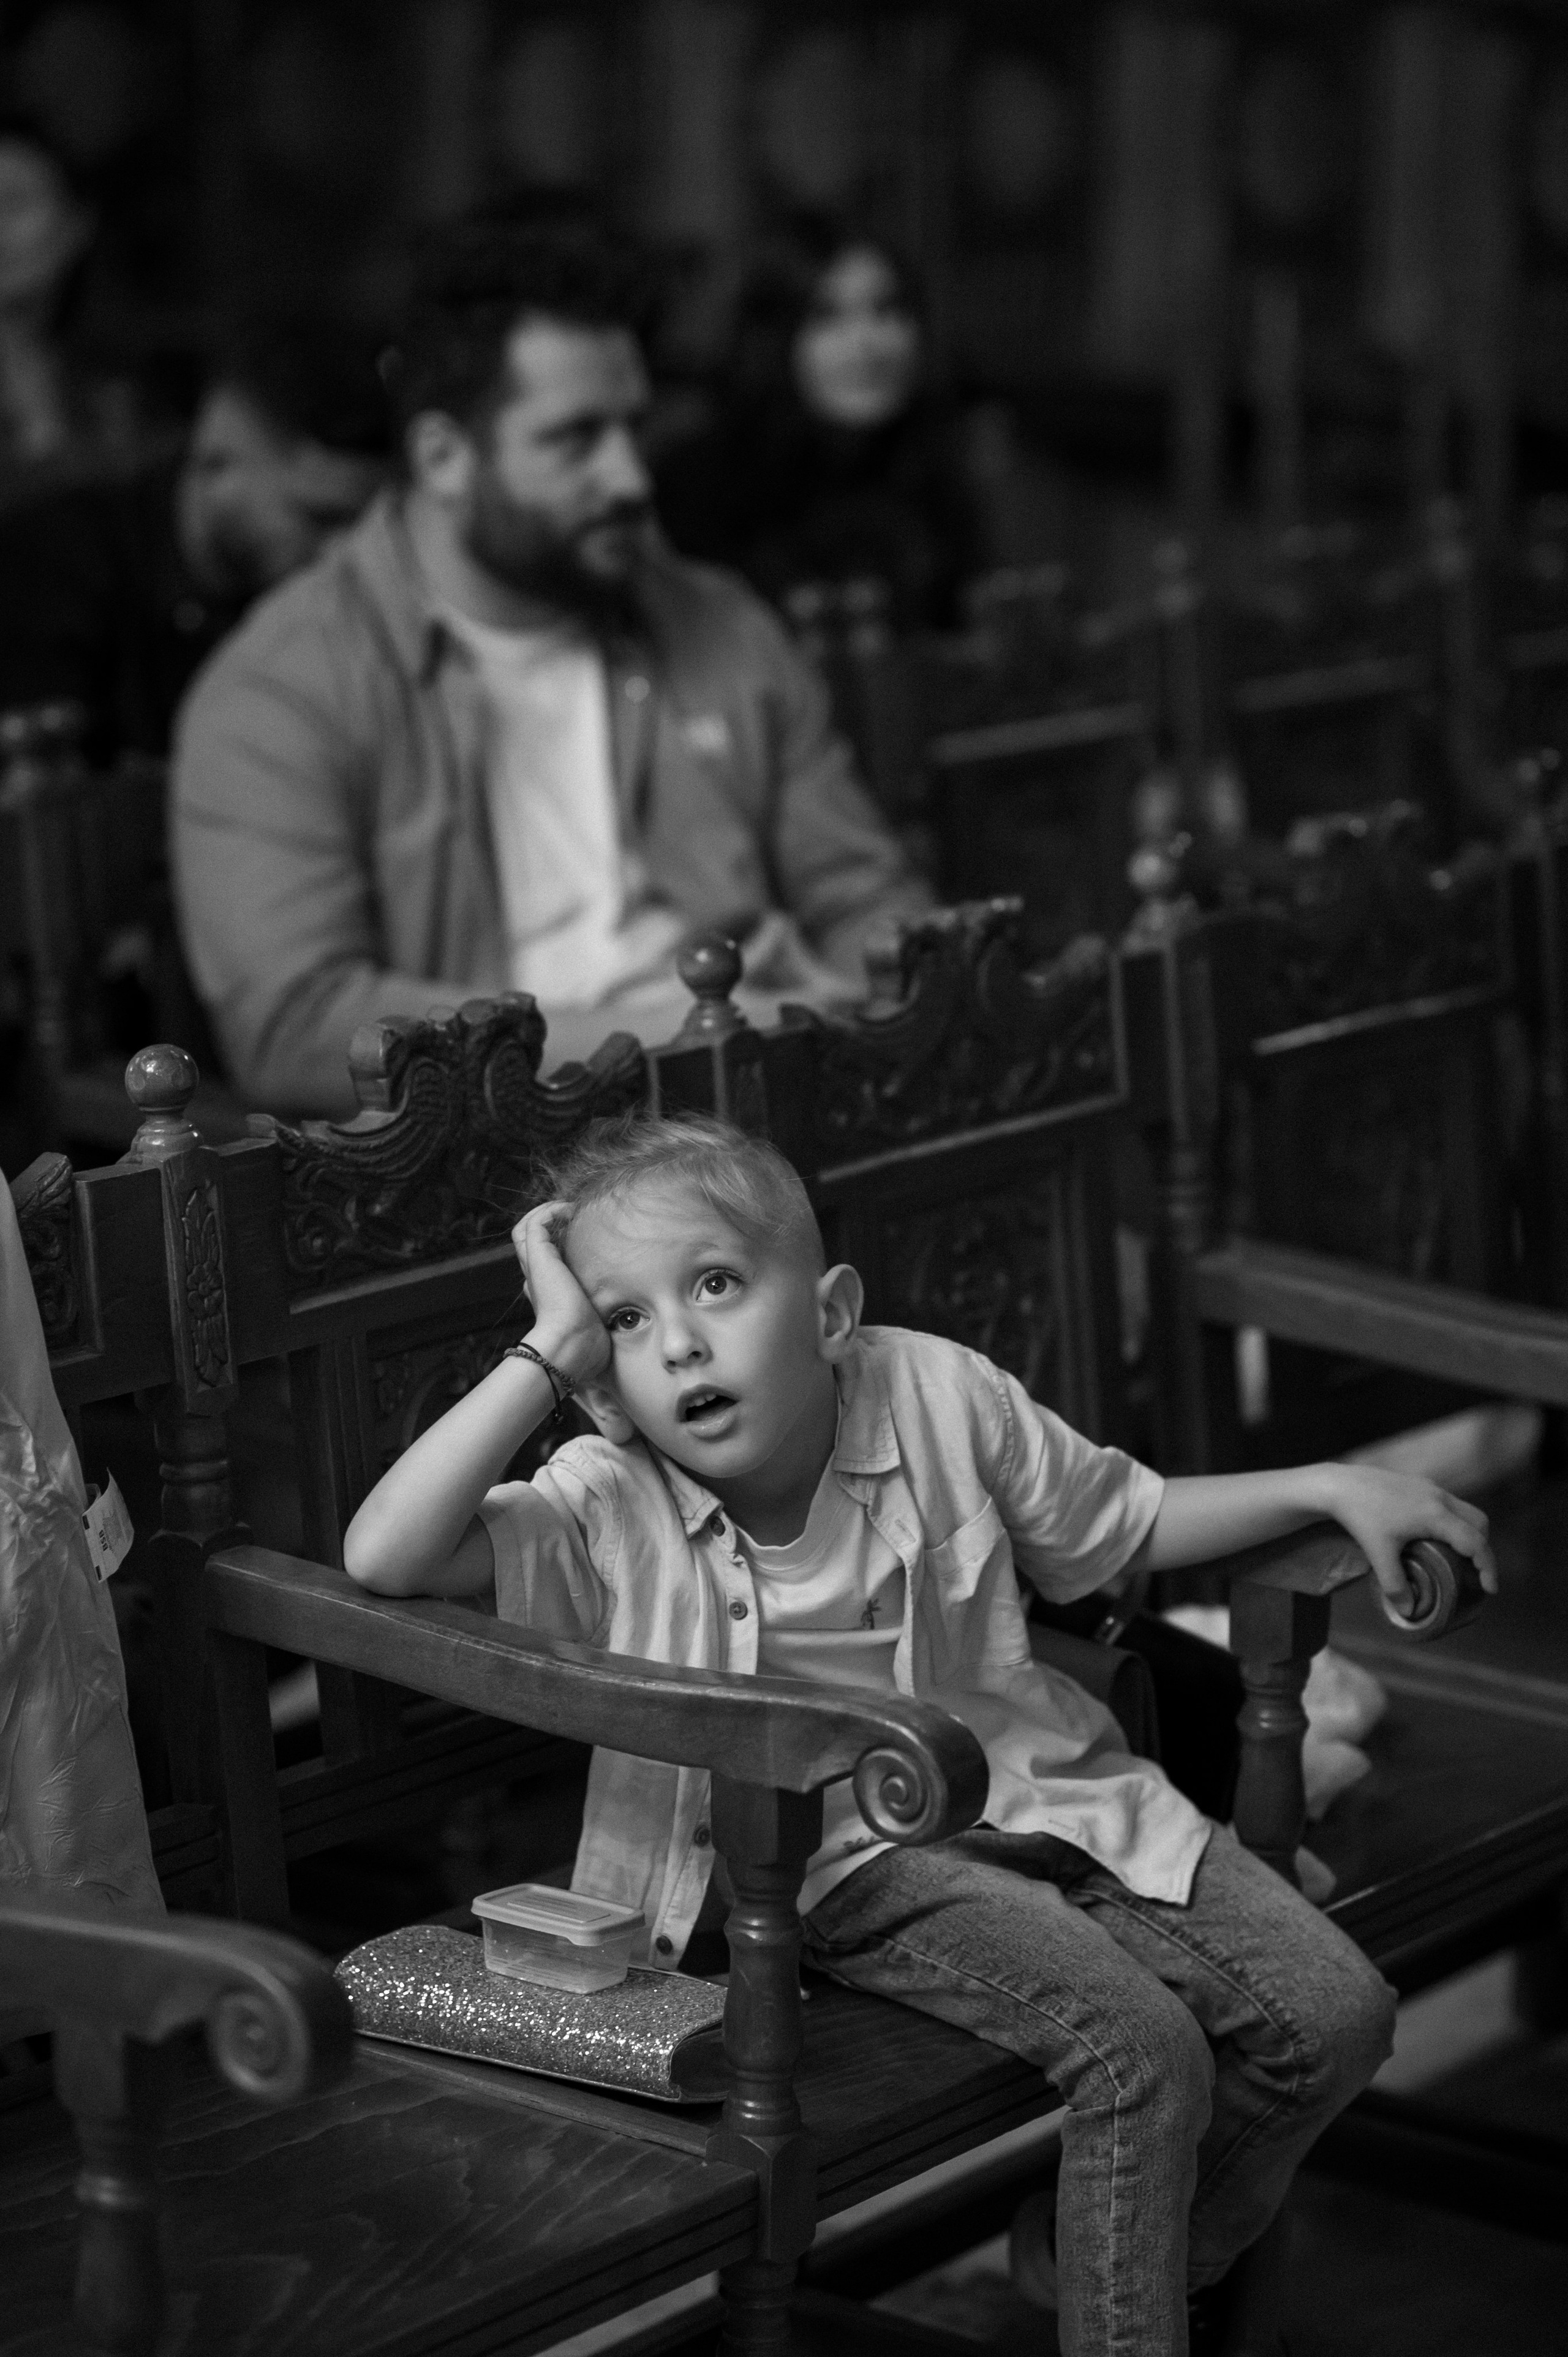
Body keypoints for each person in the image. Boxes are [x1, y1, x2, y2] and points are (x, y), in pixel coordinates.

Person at [342, 1111, 1493, 2357]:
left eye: (714, 1285)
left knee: (1334, 2014)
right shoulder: (607, 1497)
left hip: (1054, 1787)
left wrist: (1328, 1484)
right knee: (1144, 2051)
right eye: (623, 1320)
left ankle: (1087, 2266)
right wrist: (541, 1353)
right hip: (844, 1862)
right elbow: (385, 1555)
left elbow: (1119, 1520)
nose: (675, 1344)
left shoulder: (934, 1392)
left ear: (829, 1311)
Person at [172, 220, 932, 1119]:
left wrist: (866, 994)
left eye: (632, 427)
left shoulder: (718, 621)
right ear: (445, 458)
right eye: (577, 439)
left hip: (764, 1118)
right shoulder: (280, 687)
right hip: (487, 1167)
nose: (630, 477)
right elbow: (296, 1027)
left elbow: (860, 893)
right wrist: (684, 1031)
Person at [0, 318, 390, 762]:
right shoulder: (55, 565)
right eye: (317, 518)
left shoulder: (326, 607)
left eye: (361, 525)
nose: (341, 551)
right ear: (217, 457)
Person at [657, 218, 981, 630]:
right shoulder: (701, 481)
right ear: (775, 337)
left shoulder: (942, 469)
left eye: (887, 310)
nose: (866, 345)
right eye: (827, 317)